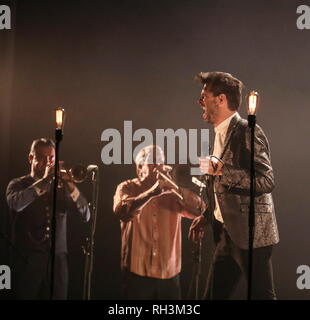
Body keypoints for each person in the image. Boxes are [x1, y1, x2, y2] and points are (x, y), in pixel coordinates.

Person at [189, 71, 279, 300]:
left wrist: (222, 170)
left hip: (252, 234)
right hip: (226, 234)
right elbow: (221, 188)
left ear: (220, 99)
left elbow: (266, 180)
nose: (199, 102)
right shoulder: (220, 133)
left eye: (203, 97)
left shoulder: (247, 130)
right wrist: (208, 215)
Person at [113, 145, 206, 299]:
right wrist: (152, 193)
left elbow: (200, 210)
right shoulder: (127, 187)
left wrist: (176, 187)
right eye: (153, 161)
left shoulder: (172, 192)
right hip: (137, 272)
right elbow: (122, 212)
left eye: (161, 161)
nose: (159, 166)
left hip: (169, 273)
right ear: (140, 167)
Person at [6, 138, 90, 300]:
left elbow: (85, 215)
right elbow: (16, 204)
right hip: (27, 259)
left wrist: (71, 186)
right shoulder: (17, 184)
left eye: (51, 158)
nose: (47, 162)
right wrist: (44, 181)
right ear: (31, 158)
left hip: (58, 260)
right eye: (42, 158)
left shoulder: (62, 188)